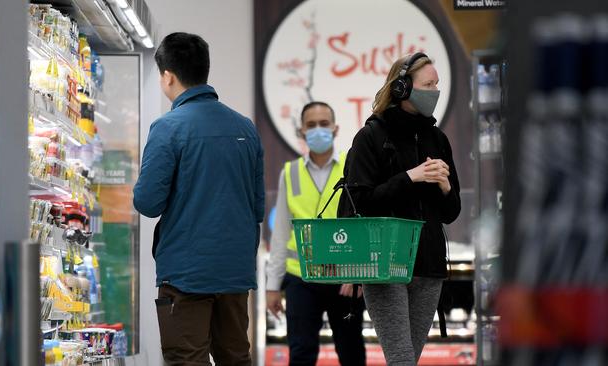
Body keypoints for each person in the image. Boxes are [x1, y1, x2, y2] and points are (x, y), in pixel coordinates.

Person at [133, 32, 264, 365]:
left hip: (185, 273)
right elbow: (258, 206)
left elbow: (147, 202)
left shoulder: (168, 128)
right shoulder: (246, 128)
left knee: (187, 358)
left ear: (168, 76)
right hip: (235, 271)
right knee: (235, 356)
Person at [339, 53, 461, 365]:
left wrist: (445, 187)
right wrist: (409, 178)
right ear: (402, 88)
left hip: (429, 265)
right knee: (402, 359)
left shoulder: (438, 138)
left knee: (408, 359)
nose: (434, 91)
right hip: (385, 265)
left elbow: (451, 212)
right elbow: (359, 203)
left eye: (436, 84)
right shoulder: (371, 137)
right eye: (427, 84)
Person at [266, 101, 366, 366]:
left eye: (324, 124)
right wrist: (272, 286)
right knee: (300, 354)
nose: (318, 130)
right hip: (301, 279)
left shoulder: (352, 166)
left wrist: (360, 274)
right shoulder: (291, 173)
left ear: (335, 129)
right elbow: (280, 234)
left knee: (352, 353)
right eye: (311, 125)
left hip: (345, 279)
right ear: (301, 131)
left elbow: (365, 223)